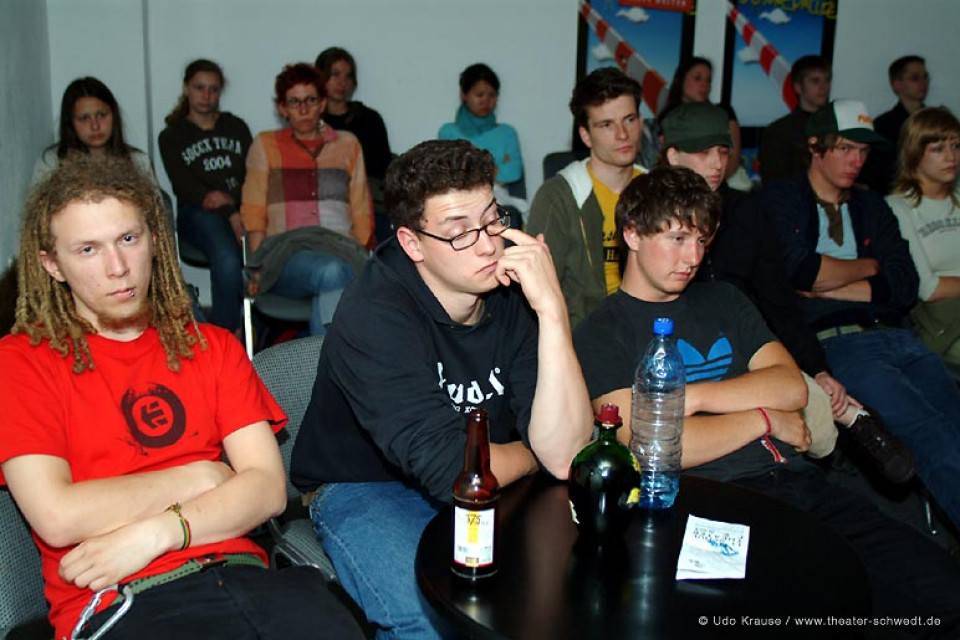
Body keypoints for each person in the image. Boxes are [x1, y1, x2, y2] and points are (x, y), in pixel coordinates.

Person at [574, 165, 960, 631]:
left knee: (943, 590)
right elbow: (651, 445)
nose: (692, 257)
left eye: (702, 240)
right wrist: (765, 419)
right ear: (632, 233)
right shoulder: (601, 331)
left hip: (801, 484)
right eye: (677, 238)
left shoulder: (724, 299)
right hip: (711, 503)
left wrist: (690, 399)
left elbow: (790, 386)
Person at [0, 156, 364, 640]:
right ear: (52, 264)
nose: (117, 267)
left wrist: (159, 532)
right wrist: (201, 476)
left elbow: (266, 490)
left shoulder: (212, 347)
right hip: (119, 600)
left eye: (128, 239)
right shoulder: (22, 361)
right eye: (88, 249)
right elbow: (58, 516)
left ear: (153, 239)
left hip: (244, 577)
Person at [291, 139, 592, 640]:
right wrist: (533, 452)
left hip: (494, 470)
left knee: (562, 588)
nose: (488, 245)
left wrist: (553, 310)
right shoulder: (374, 313)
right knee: (432, 618)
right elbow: (452, 470)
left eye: (492, 219)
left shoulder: (512, 289)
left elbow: (565, 457)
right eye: (459, 233)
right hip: (362, 483)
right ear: (412, 244)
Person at [661, 101, 913, 482]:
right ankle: (846, 423)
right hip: (679, 345)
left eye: (723, 151)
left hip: (746, 341)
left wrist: (817, 367)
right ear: (673, 155)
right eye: (703, 152)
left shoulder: (746, 211)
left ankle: (847, 425)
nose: (716, 163)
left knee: (818, 414)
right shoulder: (651, 213)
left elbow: (777, 298)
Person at [762, 99, 960, 530]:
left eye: (864, 151)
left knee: (953, 424)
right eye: (846, 148)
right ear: (815, 146)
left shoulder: (871, 205)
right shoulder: (782, 198)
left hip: (898, 334)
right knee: (930, 435)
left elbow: (904, 283)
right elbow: (800, 272)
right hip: (840, 340)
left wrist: (839, 281)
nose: (856, 161)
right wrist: (871, 270)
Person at [240, 63, 372, 336]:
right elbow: (254, 211)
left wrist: (362, 257)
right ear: (282, 108)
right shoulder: (266, 145)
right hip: (286, 256)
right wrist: (255, 266)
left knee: (337, 279)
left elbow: (360, 209)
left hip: (340, 248)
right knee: (333, 273)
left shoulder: (348, 144)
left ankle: (319, 361)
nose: (303, 109)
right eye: (294, 102)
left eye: (310, 100)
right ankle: (334, 361)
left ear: (322, 104)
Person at [527, 67, 645, 328]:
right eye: (606, 125)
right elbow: (539, 290)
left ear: (641, 122)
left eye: (629, 119)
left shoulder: (659, 190)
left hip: (650, 328)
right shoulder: (557, 196)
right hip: (583, 333)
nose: (622, 134)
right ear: (585, 135)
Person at [159, 59, 252, 333]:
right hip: (197, 214)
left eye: (213, 89)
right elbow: (185, 187)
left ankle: (256, 328)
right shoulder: (172, 136)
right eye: (199, 87)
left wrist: (232, 203)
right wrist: (230, 212)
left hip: (241, 207)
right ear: (186, 88)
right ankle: (223, 338)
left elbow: (252, 175)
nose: (206, 95)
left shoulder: (236, 127)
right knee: (228, 259)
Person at [887, 106, 960, 370]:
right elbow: (927, 288)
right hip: (943, 324)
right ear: (914, 153)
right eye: (938, 149)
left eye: (956, 146)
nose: (951, 157)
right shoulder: (898, 207)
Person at [33, 76, 155, 185]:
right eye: (84, 118)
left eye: (101, 115)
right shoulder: (51, 164)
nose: (95, 126)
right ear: (70, 123)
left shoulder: (138, 162)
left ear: (114, 116)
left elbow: (154, 204)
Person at [638, 57, 741, 183]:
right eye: (697, 78)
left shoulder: (723, 115)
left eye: (708, 80)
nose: (704, 85)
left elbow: (731, 164)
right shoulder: (664, 120)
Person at [438, 63, 523, 188]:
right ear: (464, 95)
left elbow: (514, 172)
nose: (486, 101)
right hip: (459, 198)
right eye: (479, 95)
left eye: (492, 95)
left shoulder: (507, 133)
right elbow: (449, 176)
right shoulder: (448, 133)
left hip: (499, 197)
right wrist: (496, 170)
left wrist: (468, 172)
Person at [315, 47, 393, 181]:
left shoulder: (369, 119)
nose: (342, 82)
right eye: (335, 74)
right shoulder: (309, 121)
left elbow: (383, 170)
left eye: (348, 76)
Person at [758, 55, 832, 185]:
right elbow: (773, 184)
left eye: (827, 80)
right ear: (798, 87)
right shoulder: (778, 132)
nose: (823, 87)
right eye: (815, 81)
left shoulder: (838, 127)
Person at [863, 56, 931, 194]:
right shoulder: (882, 125)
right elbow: (876, 173)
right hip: (894, 195)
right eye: (915, 78)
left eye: (925, 77)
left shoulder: (935, 121)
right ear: (897, 85)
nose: (923, 82)